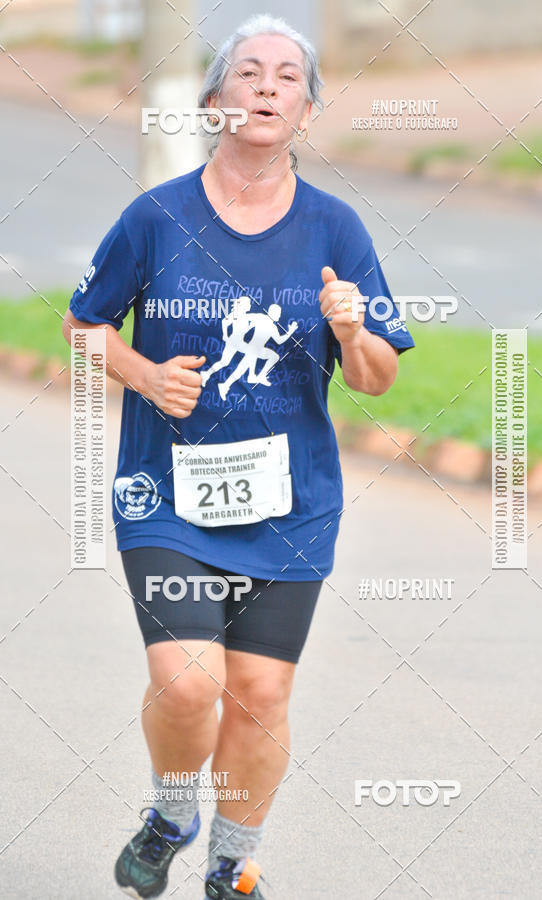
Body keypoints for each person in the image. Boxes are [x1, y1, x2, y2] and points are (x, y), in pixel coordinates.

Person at [62, 13, 414, 899]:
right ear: (214, 101)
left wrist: (353, 328)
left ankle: (229, 860)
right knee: (188, 686)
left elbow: (375, 379)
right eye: (246, 72)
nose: (265, 86)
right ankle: (173, 814)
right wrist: (144, 374)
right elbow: (82, 324)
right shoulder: (156, 217)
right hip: (167, 494)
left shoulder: (337, 231)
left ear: (306, 108)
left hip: (291, 502)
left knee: (259, 693)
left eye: (286, 77)